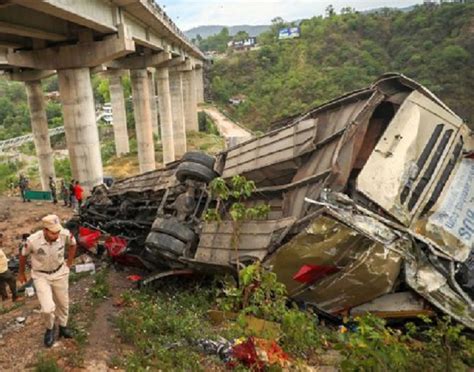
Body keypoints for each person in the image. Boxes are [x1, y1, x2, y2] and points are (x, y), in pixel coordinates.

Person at [18, 215, 77, 347]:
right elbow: (23, 255)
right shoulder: (32, 241)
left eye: (57, 231)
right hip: (41, 276)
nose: (56, 235)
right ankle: (50, 329)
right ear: (45, 230)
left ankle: (63, 327)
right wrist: (21, 273)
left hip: (60, 273)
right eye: (52, 232)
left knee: (63, 303)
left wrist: (69, 263)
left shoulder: (64, 234)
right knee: (47, 308)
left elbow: (73, 244)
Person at [0, 233, 18, 302]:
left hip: (2, 268)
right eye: (1, 239)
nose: (2, 241)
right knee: (12, 280)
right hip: (2, 270)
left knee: (1, 283)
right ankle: (15, 296)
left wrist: (6, 260)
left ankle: (4, 297)